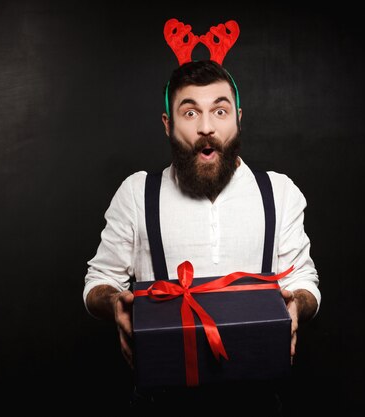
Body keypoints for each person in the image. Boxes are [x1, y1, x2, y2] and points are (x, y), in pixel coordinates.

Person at [83, 59, 321, 414]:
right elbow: (98, 283)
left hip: (257, 398)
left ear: (238, 118)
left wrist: (298, 304)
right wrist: (114, 302)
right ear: (168, 124)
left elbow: (305, 280)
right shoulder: (137, 193)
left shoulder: (278, 191)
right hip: (163, 400)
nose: (207, 127)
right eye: (190, 113)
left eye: (220, 111)